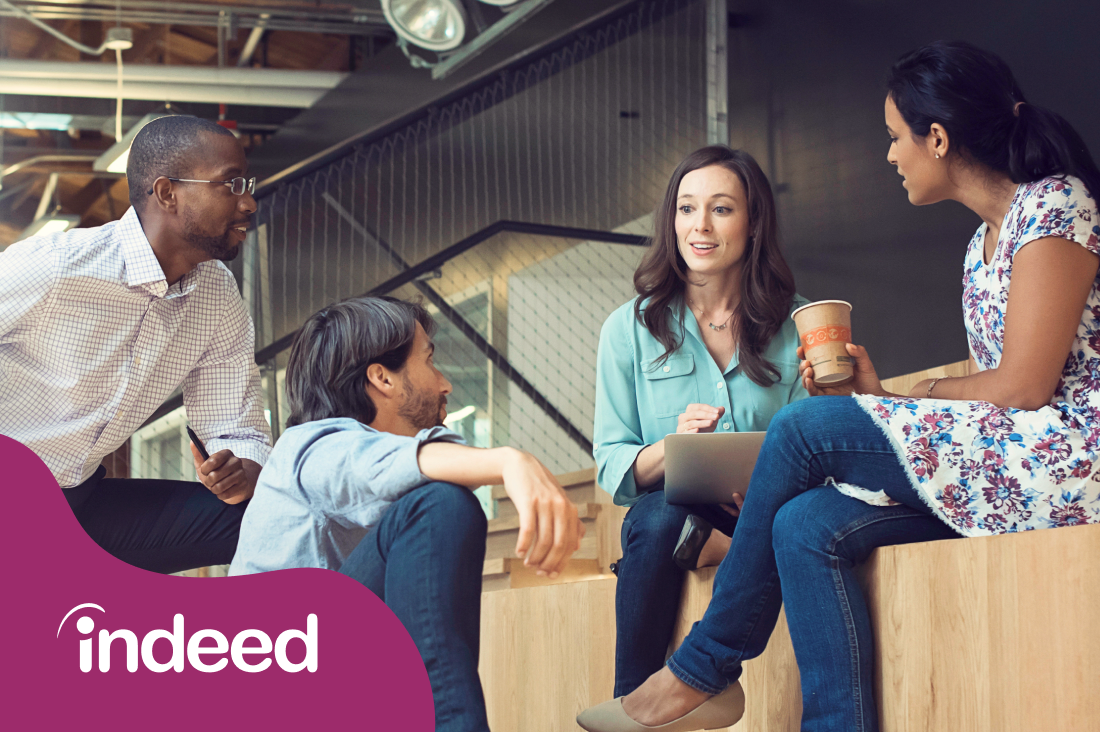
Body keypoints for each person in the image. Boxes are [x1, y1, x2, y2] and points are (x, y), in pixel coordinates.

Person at [579, 40, 1100, 732]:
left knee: (798, 430)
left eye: (894, 137)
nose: (889, 155)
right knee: (802, 523)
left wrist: (908, 401)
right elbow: (998, 400)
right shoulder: (982, 245)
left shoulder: (1055, 207)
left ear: (937, 138)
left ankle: (701, 670)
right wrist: (886, 400)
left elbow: (1027, 386)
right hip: (1004, 464)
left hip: (1067, 460)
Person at [229, 295, 585, 732]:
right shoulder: (309, 446)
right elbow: (377, 467)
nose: (444, 384)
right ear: (382, 378)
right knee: (438, 505)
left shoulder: (365, 465)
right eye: (430, 361)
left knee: (437, 498)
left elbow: (405, 464)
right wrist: (512, 461)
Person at [0, 114, 271, 574]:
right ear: (168, 193)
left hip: (82, 508)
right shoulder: (55, 267)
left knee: (270, 517)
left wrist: (242, 470)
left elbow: (236, 424)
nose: (249, 203)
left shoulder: (217, 295)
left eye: (248, 184)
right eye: (232, 184)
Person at [592, 146, 808, 702]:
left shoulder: (798, 323)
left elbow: (814, 444)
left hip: (769, 512)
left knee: (799, 518)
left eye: (721, 209)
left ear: (754, 222)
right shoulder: (628, 329)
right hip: (672, 512)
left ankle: (711, 552)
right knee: (660, 515)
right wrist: (673, 449)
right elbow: (613, 462)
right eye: (686, 209)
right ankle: (633, 700)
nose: (700, 226)